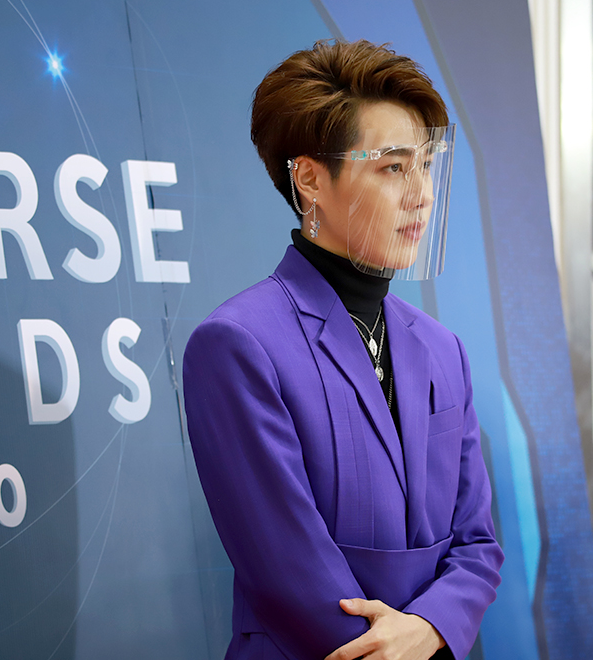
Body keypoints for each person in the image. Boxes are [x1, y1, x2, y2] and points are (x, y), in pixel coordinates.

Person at [183, 39, 503, 660]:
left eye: (425, 165)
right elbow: (287, 570)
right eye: (393, 168)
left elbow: (477, 544)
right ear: (309, 179)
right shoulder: (238, 344)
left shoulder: (442, 349)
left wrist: (430, 627)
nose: (422, 194)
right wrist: (389, 648)